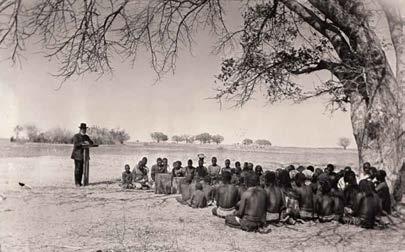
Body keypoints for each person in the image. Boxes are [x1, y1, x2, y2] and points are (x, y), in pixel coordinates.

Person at [71, 123, 94, 187]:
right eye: (83, 129)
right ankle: (77, 183)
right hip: (77, 155)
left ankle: (82, 182)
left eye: (85, 129)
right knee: (78, 169)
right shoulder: (76, 136)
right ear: (80, 129)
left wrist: (89, 142)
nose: (84, 130)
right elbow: (76, 144)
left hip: (84, 155)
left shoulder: (86, 136)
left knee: (83, 169)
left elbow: (91, 142)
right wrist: (83, 142)